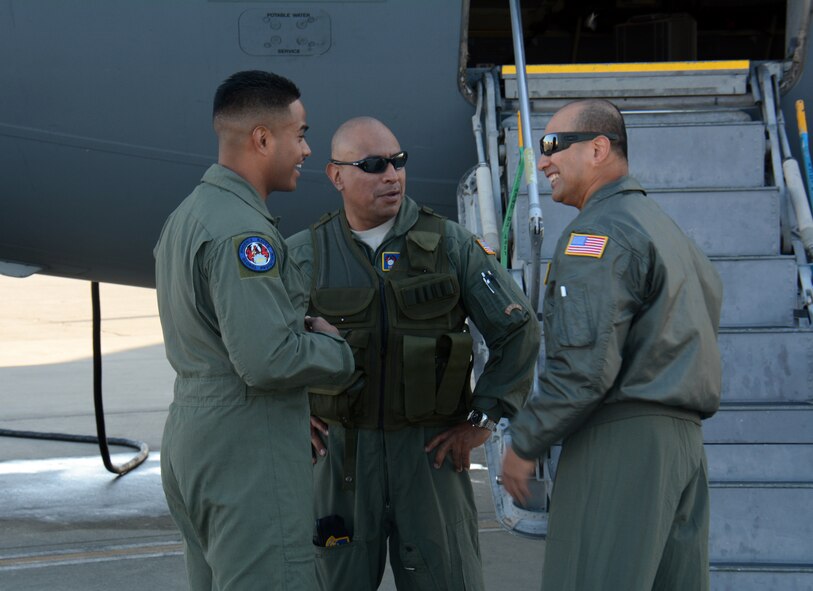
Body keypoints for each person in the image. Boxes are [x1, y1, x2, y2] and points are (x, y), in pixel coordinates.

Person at [286, 116, 540, 590]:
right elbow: (263, 346)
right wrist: (291, 413)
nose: (392, 175)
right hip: (342, 458)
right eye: (373, 164)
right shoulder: (305, 255)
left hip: (430, 458)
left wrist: (482, 421)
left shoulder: (451, 246)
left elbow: (518, 329)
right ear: (336, 175)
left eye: (399, 162)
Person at [501, 99, 723, 590]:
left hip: (620, 443)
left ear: (599, 148)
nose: (542, 162)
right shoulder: (668, 230)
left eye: (553, 145)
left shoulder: (596, 233)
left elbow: (585, 364)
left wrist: (525, 441)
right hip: (683, 449)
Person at [154, 70, 355, 590]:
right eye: (301, 133)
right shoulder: (242, 233)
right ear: (263, 138)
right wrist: (334, 349)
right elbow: (266, 359)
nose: (308, 150)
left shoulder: (188, 216)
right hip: (246, 448)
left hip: (194, 439)